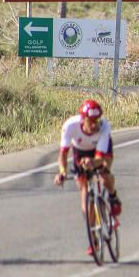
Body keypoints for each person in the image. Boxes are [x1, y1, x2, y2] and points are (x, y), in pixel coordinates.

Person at [54, 99, 121, 254]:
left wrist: (94, 162)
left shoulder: (104, 128)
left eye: (96, 121)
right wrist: (62, 172)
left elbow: (101, 158)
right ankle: (93, 240)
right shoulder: (70, 126)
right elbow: (63, 154)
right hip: (80, 152)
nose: (94, 125)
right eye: (90, 121)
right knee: (85, 199)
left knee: (104, 174)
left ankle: (113, 197)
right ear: (82, 119)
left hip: (99, 152)